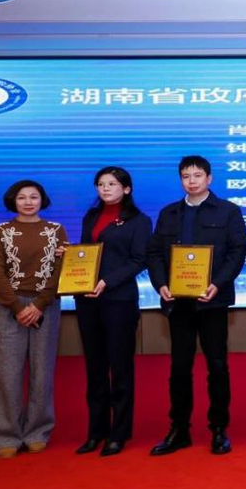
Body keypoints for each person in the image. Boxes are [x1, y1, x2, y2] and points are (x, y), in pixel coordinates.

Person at [146, 155, 246, 455]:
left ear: (209, 178)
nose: (192, 181)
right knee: (179, 367)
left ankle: (219, 429)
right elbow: (155, 253)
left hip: (212, 301)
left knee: (217, 366)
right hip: (178, 302)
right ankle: (179, 429)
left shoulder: (228, 211)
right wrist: (160, 283)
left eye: (197, 175)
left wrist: (218, 283)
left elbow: (237, 251)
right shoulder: (169, 213)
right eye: (186, 176)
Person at [72, 167, 152, 457]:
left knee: (120, 368)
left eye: (112, 184)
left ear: (126, 189)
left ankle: (118, 433)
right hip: (87, 300)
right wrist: (71, 255)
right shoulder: (91, 216)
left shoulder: (139, 221)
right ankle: (96, 431)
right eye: (101, 184)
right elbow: (89, 253)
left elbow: (139, 259)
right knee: (94, 369)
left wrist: (107, 281)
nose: (105, 188)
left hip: (118, 300)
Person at [0, 180, 67, 458]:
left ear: (42, 200)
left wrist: (40, 304)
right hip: (9, 307)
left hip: (46, 306)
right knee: (7, 372)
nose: (29, 202)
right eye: (22, 197)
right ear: (13, 201)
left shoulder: (55, 230)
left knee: (42, 371)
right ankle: (5, 436)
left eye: (34, 197)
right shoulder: (0, 231)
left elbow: (60, 270)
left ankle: (37, 431)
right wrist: (17, 307)